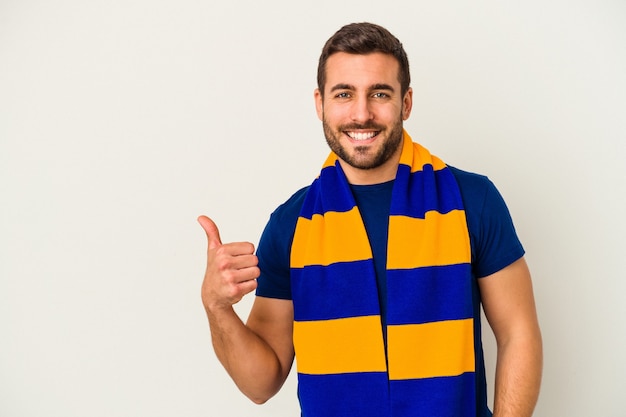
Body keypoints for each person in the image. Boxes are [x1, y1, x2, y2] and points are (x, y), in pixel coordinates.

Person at [198, 22, 542, 417]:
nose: (362, 114)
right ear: (320, 104)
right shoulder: (290, 225)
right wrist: (216, 307)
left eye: (380, 94)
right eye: (344, 94)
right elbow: (261, 384)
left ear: (406, 103)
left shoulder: (473, 200)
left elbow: (518, 333)